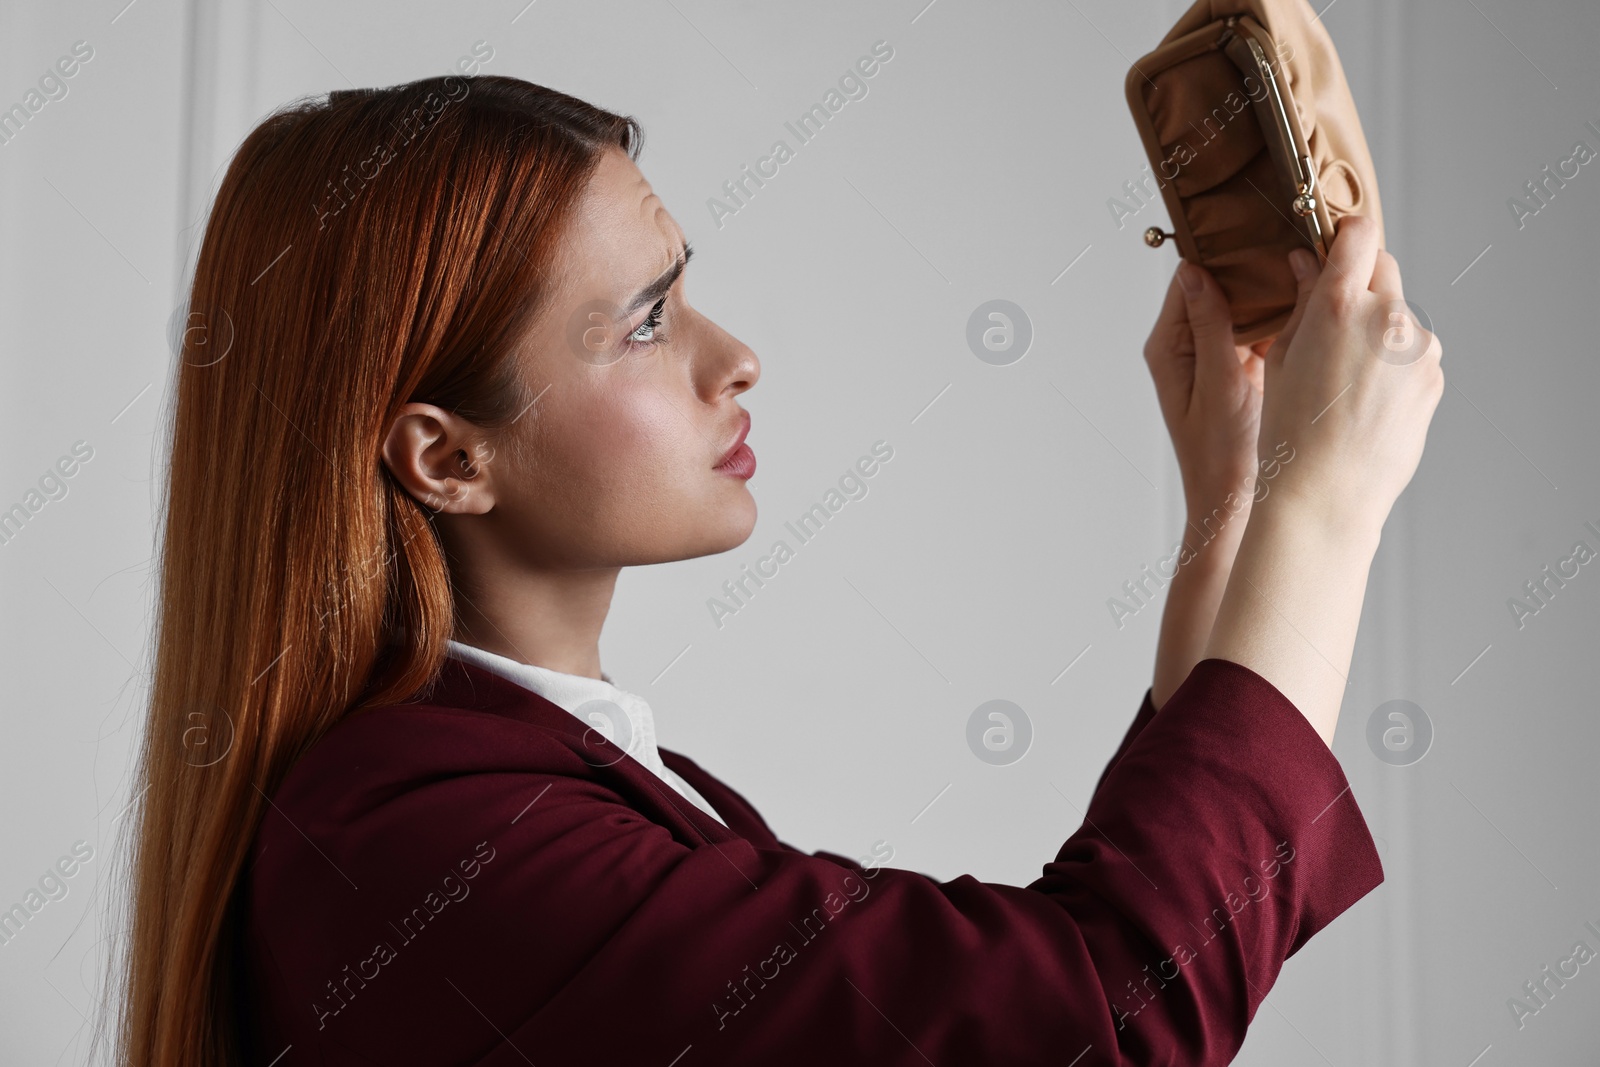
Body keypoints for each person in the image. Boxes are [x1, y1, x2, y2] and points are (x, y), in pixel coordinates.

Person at [114, 74, 1442, 1066]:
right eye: (645, 324)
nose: (732, 355)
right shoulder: (424, 848)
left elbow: (1060, 991)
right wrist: (1323, 510)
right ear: (446, 460)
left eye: (686, 289)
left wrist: (1237, 507)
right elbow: (1098, 1013)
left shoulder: (545, 798)